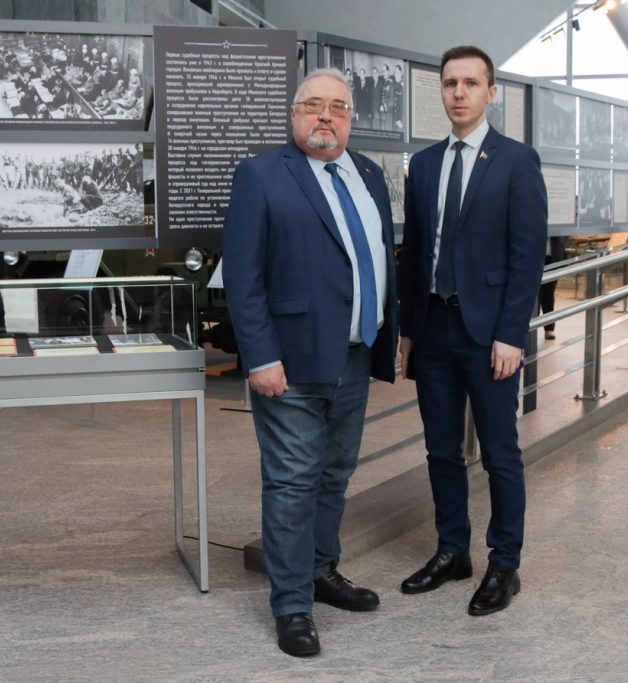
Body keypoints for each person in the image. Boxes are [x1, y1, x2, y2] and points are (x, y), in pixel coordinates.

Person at [222, 68, 398, 657]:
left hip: (356, 354)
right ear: (294, 113)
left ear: (351, 117)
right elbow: (243, 277)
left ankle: (322, 570)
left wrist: (388, 334)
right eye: (314, 105)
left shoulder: (368, 175)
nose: (326, 115)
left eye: (338, 107)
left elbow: (377, 259)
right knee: (293, 480)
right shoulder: (261, 175)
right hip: (290, 363)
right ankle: (292, 604)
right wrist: (260, 356)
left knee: (334, 473)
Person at [397, 46, 547, 616]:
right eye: (450, 83)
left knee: (500, 452)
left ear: (491, 92)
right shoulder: (424, 165)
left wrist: (512, 333)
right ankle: (452, 551)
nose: (458, 93)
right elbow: (415, 255)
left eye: (470, 83)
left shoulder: (516, 161)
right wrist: (409, 330)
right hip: (433, 328)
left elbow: (527, 257)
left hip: (489, 334)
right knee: (440, 450)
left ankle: (504, 563)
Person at [539, 236, 566, 340]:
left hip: (553, 257)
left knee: (549, 294)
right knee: (535, 295)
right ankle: (531, 328)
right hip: (535, 257)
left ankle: (549, 328)